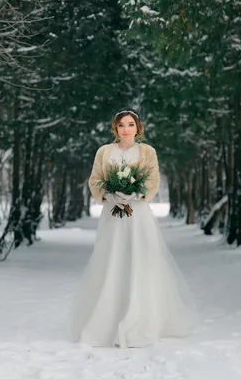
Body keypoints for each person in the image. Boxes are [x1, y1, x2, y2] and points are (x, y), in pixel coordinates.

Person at [71, 108, 198, 348]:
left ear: (138, 128)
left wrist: (135, 194)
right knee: (112, 259)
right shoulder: (105, 151)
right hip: (112, 214)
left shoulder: (147, 151)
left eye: (130, 124)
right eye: (121, 125)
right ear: (115, 128)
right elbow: (95, 178)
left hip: (137, 214)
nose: (126, 129)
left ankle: (142, 318)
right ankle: (107, 315)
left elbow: (153, 180)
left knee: (140, 261)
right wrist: (109, 194)